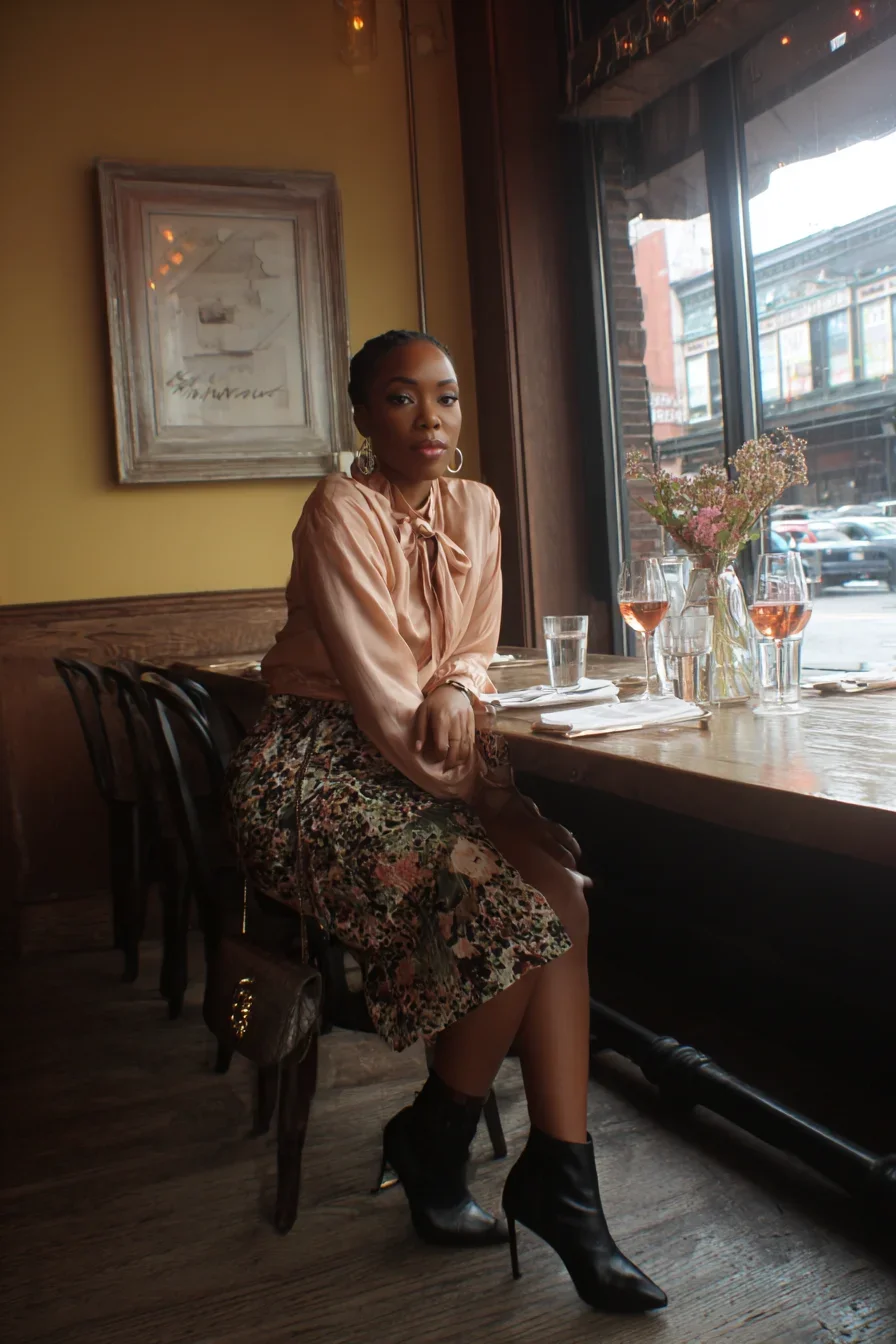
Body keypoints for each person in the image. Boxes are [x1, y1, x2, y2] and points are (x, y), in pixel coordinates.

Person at [227, 330, 666, 1314]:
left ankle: (558, 1182)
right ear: (361, 415)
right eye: (399, 397)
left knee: (560, 891)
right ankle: (437, 1141)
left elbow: (473, 643)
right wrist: (478, 782)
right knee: (509, 902)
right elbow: (387, 699)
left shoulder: (478, 505)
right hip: (317, 767)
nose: (429, 418)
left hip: (444, 753)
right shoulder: (337, 508)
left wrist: (466, 688)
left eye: (446, 398)